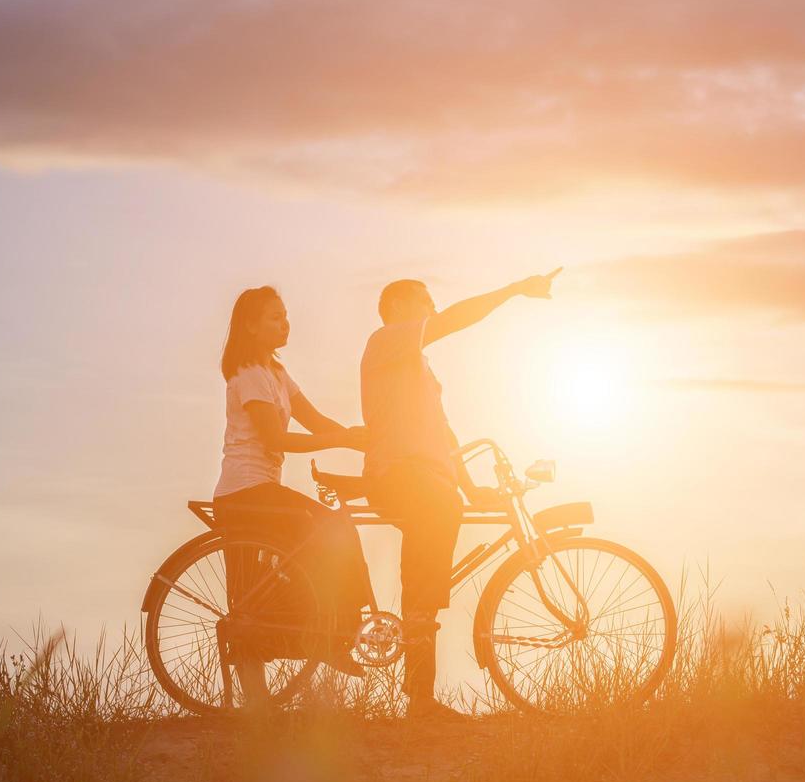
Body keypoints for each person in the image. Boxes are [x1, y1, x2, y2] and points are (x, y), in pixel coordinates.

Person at [360, 269, 561, 719]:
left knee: (441, 526)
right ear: (397, 307)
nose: (431, 309)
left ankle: (420, 679)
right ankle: (420, 696)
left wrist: (471, 488)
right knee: (433, 539)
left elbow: (445, 437)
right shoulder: (387, 340)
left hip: (426, 477)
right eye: (424, 301)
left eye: (432, 303)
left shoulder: (420, 371)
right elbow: (454, 320)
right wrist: (511, 289)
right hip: (397, 474)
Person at [213, 285, 372, 691]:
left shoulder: (277, 374)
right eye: (274, 317)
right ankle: (331, 633)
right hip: (245, 494)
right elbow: (276, 441)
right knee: (331, 531)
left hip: (259, 493)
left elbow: (316, 422)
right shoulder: (248, 375)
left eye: (285, 315)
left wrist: (358, 437)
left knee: (255, 600)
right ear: (250, 325)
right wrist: (341, 440)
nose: (285, 323)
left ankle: (263, 701)